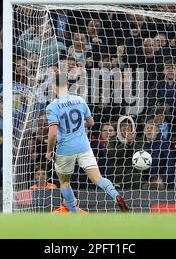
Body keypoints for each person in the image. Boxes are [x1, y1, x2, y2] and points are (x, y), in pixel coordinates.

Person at [45, 72, 130, 212]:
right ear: (67, 85)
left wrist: (49, 151)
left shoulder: (52, 107)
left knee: (64, 182)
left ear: (54, 88)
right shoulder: (80, 100)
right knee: (98, 178)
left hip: (65, 150)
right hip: (84, 147)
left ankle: (73, 212)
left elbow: (53, 133)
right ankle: (116, 196)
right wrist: (78, 127)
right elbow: (91, 122)